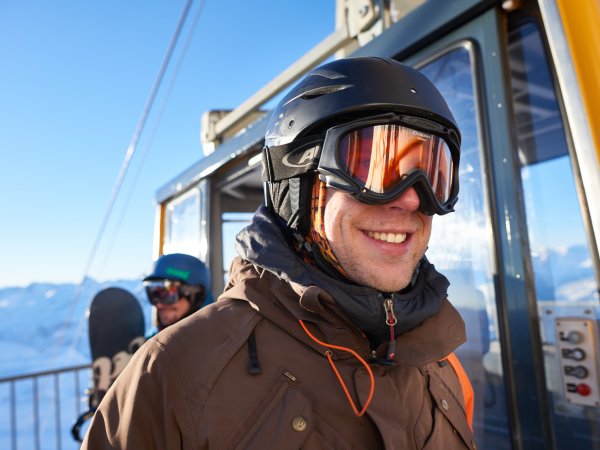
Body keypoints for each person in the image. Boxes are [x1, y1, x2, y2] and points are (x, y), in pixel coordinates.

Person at [82, 57, 475, 449]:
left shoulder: (443, 367)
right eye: (373, 167)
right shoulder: (175, 375)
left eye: (433, 172)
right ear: (298, 186)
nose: (410, 198)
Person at [143, 252, 213, 337]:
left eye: (168, 294)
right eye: (153, 295)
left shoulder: (214, 341)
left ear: (196, 295)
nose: (159, 305)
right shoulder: (153, 338)